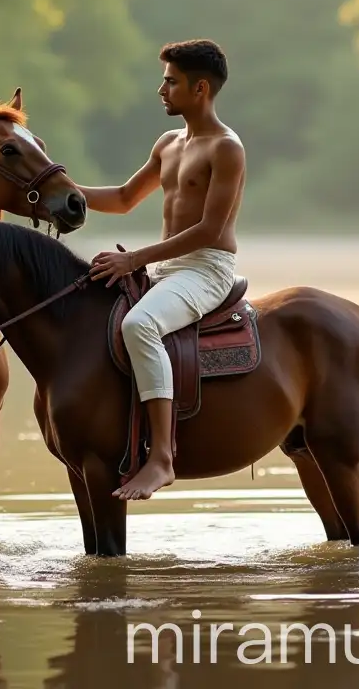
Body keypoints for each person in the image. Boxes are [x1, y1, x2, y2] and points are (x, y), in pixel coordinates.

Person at [79, 39, 246, 500]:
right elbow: (124, 198)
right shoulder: (169, 143)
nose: (162, 89)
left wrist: (134, 259)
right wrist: (64, 187)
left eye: (171, 82)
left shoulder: (227, 149)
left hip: (206, 268)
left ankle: (162, 458)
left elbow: (210, 230)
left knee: (140, 325)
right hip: (167, 268)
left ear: (201, 88)